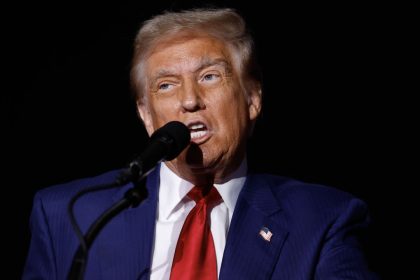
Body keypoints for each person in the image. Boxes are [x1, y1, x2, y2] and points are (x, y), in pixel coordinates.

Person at [23, 8, 378, 280]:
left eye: (209, 77)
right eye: (166, 85)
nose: (189, 100)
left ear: (252, 99)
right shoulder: (69, 215)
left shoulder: (322, 220)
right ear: (146, 115)